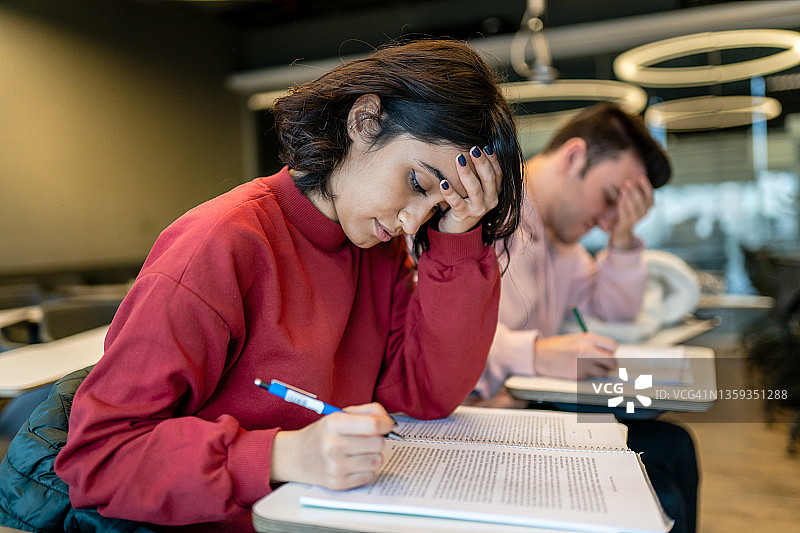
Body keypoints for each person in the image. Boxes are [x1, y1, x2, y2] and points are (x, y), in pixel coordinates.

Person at [54, 39, 524, 531]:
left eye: (437, 208)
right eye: (417, 183)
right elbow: (100, 457)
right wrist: (283, 455)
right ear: (364, 121)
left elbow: (425, 395)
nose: (412, 222)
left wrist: (459, 235)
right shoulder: (220, 245)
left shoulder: (373, 247)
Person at [472, 103, 699, 533]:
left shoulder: (564, 249)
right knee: (662, 493)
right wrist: (536, 353)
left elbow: (615, 313)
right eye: (611, 198)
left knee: (675, 447)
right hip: (477, 415)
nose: (608, 221)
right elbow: (442, 334)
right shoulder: (484, 214)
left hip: (519, 405)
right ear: (575, 157)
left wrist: (623, 239)